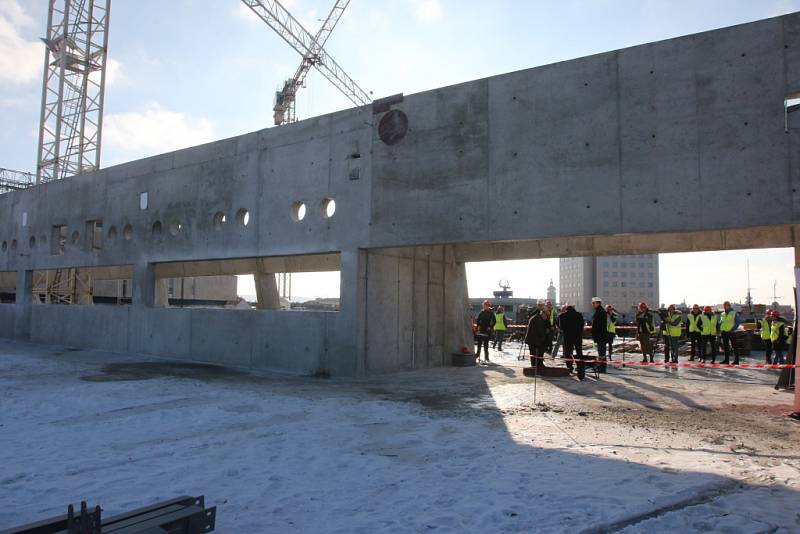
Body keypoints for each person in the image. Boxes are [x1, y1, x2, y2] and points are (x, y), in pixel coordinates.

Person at [559, 303, 586, 380]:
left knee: (568, 352)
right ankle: (580, 367)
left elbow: (561, 327)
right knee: (579, 352)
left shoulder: (562, 316)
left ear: (566, 309)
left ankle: (569, 367)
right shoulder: (579, 315)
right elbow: (582, 325)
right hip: (577, 337)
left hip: (568, 337)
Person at [719, 301, 741, 365]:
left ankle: (736, 361)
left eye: (726, 305)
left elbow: (738, 322)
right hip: (724, 332)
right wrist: (719, 327)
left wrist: (733, 329)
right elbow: (721, 321)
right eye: (724, 305)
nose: (724, 306)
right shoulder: (722, 314)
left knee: (734, 346)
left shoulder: (734, 313)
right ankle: (726, 360)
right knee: (725, 346)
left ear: (729, 305)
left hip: (731, 332)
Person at [591, 297, 608, 372]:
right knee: (601, 352)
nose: (592, 305)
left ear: (597, 303)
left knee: (602, 352)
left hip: (601, 336)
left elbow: (598, 325)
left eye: (593, 303)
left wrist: (595, 333)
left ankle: (602, 367)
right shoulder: (599, 311)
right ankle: (601, 366)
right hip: (600, 336)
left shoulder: (600, 312)